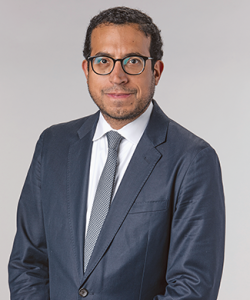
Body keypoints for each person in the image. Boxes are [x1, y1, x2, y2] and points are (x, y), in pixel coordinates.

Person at [8, 6, 225, 300]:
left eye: (133, 61)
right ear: (87, 70)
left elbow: (192, 288)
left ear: (156, 71)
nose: (117, 76)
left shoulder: (192, 159)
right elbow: (27, 264)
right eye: (103, 61)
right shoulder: (53, 145)